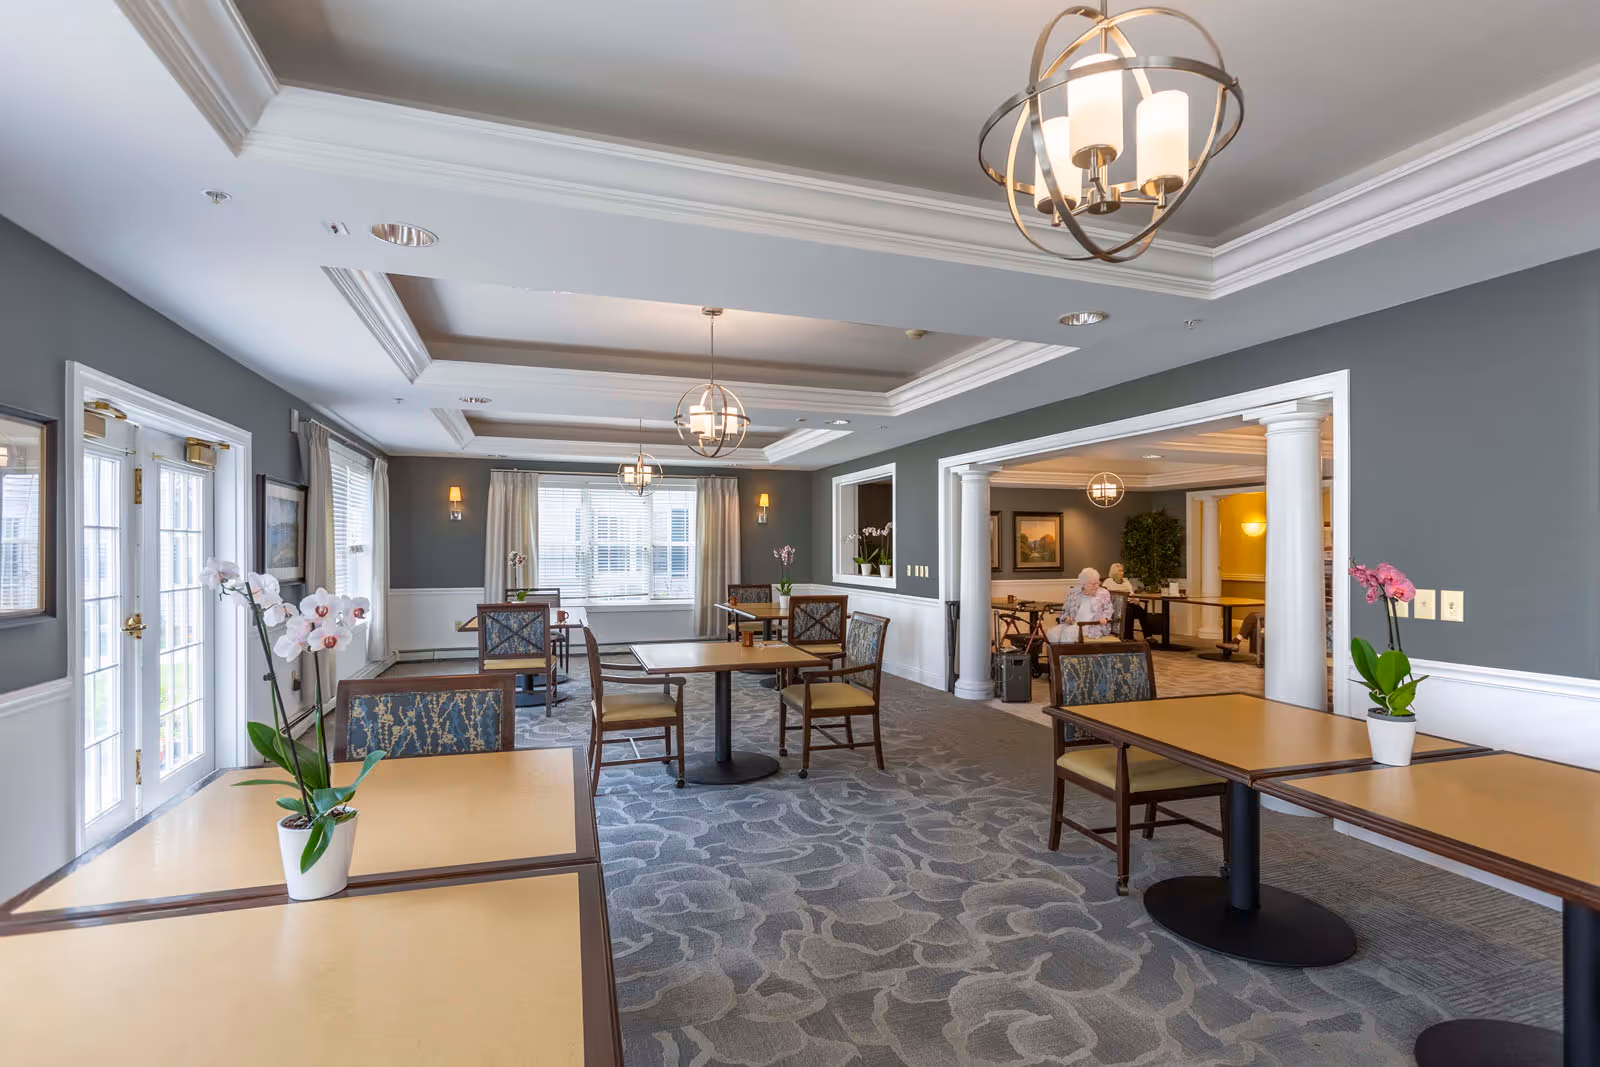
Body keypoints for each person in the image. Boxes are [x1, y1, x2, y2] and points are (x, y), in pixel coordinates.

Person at [1047, 567, 1114, 643]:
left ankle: (1068, 654)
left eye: (1097, 583)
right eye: (1093, 584)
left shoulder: (1103, 593)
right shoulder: (1074, 593)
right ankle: (1058, 653)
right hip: (1074, 623)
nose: (1096, 586)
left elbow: (1109, 609)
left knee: (1068, 633)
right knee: (1051, 633)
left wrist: (1105, 618)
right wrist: (1067, 618)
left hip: (1092, 626)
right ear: (1083, 584)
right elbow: (1066, 610)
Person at [1104, 562, 1150, 640]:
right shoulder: (1108, 582)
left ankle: (1148, 635)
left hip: (1129, 602)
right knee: (1129, 610)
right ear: (1114, 572)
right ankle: (1128, 636)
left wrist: (1136, 600)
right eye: (1120, 571)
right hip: (1118, 605)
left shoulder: (1126, 582)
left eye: (1122, 571)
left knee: (1141, 611)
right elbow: (1105, 595)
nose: (1122, 573)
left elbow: (1132, 593)